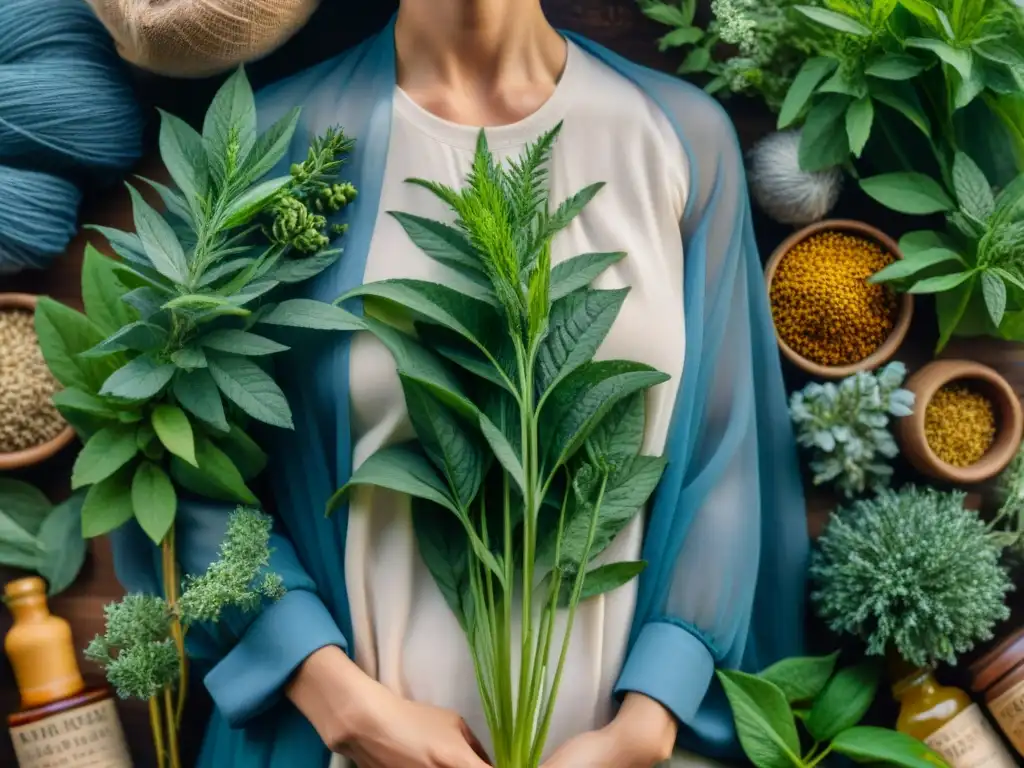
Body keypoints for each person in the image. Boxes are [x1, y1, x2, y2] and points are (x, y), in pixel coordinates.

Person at [111, 1, 809, 766]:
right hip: (338, 745)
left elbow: (727, 461)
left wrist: (648, 722)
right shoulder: (279, 139)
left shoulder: (678, 134)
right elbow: (166, 457)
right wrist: (342, 702)